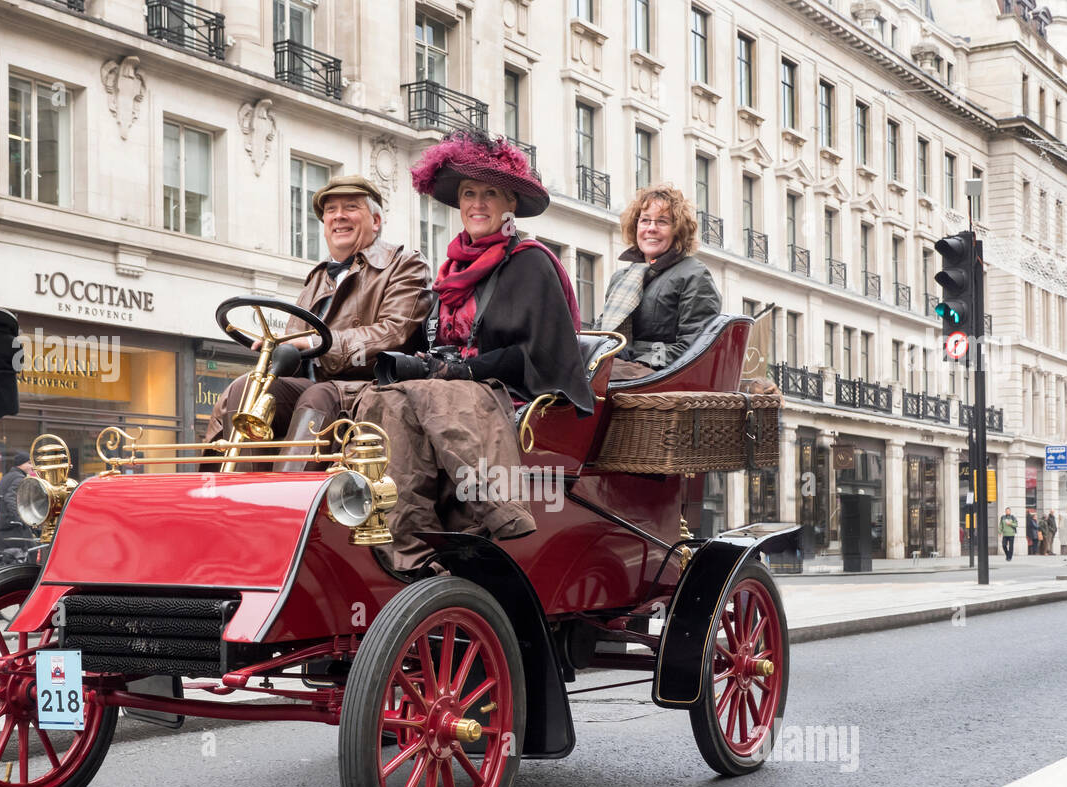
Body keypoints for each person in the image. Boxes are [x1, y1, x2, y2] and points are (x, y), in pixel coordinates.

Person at [353, 130, 592, 575]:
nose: (477, 204)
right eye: (468, 194)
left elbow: (536, 356)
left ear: (510, 205)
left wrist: (463, 369)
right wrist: (431, 364)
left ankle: (499, 510)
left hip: (513, 394)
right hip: (455, 387)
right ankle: (407, 545)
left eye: (489, 194)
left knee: (430, 395)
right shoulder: (451, 268)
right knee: (382, 397)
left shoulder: (531, 262)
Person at [203, 175, 432, 448]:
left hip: (370, 388)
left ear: (376, 221)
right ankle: (234, 487)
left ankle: (295, 490)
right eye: (330, 210)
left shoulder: (405, 264)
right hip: (314, 386)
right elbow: (295, 342)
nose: (338, 216)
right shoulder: (316, 278)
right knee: (247, 388)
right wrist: (278, 348)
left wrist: (316, 344)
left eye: (350, 207)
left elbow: (394, 332)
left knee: (318, 398)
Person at [598, 183, 721, 382]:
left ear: (677, 230)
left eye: (662, 222)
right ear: (635, 226)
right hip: (616, 368)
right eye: (645, 220)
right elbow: (602, 331)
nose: (651, 228)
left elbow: (695, 345)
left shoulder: (694, 275)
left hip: (661, 378)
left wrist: (639, 360)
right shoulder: (621, 278)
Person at [0, 453, 35, 552]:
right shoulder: (19, 478)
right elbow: (10, 499)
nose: (32, 466)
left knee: (4, 563)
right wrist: (23, 520)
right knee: (30, 557)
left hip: (3, 530)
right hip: (15, 531)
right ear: (20, 464)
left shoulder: (7, 477)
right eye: (29, 463)